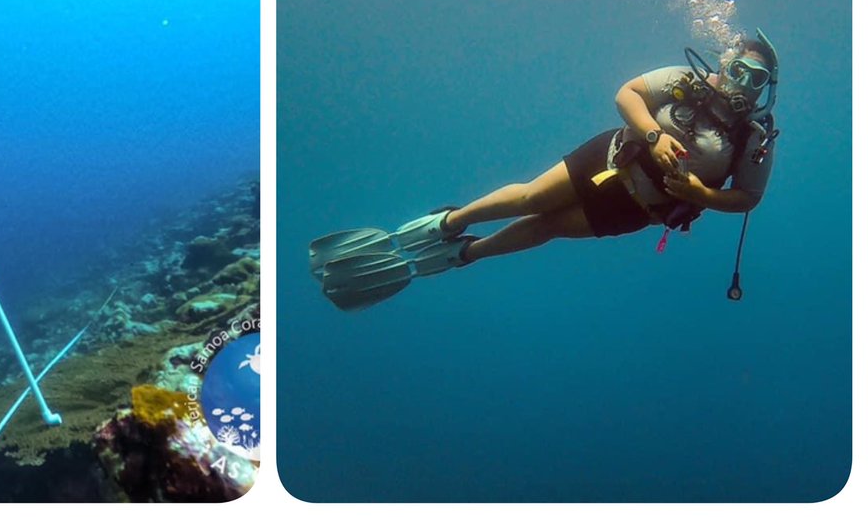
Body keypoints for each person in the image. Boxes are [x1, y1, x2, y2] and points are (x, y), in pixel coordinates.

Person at [311, 33, 779, 311]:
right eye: (740, 70)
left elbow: (748, 199)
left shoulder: (754, 138)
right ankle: (448, 223)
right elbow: (628, 95)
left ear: (766, 90)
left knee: (549, 226)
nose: (744, 84)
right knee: (534, 198)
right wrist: (654, 137)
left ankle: (463, 255)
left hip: (642, 208)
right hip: (611, 159)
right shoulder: (683, 81)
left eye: (757, 79)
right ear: (725, 64)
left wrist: (700, 191)